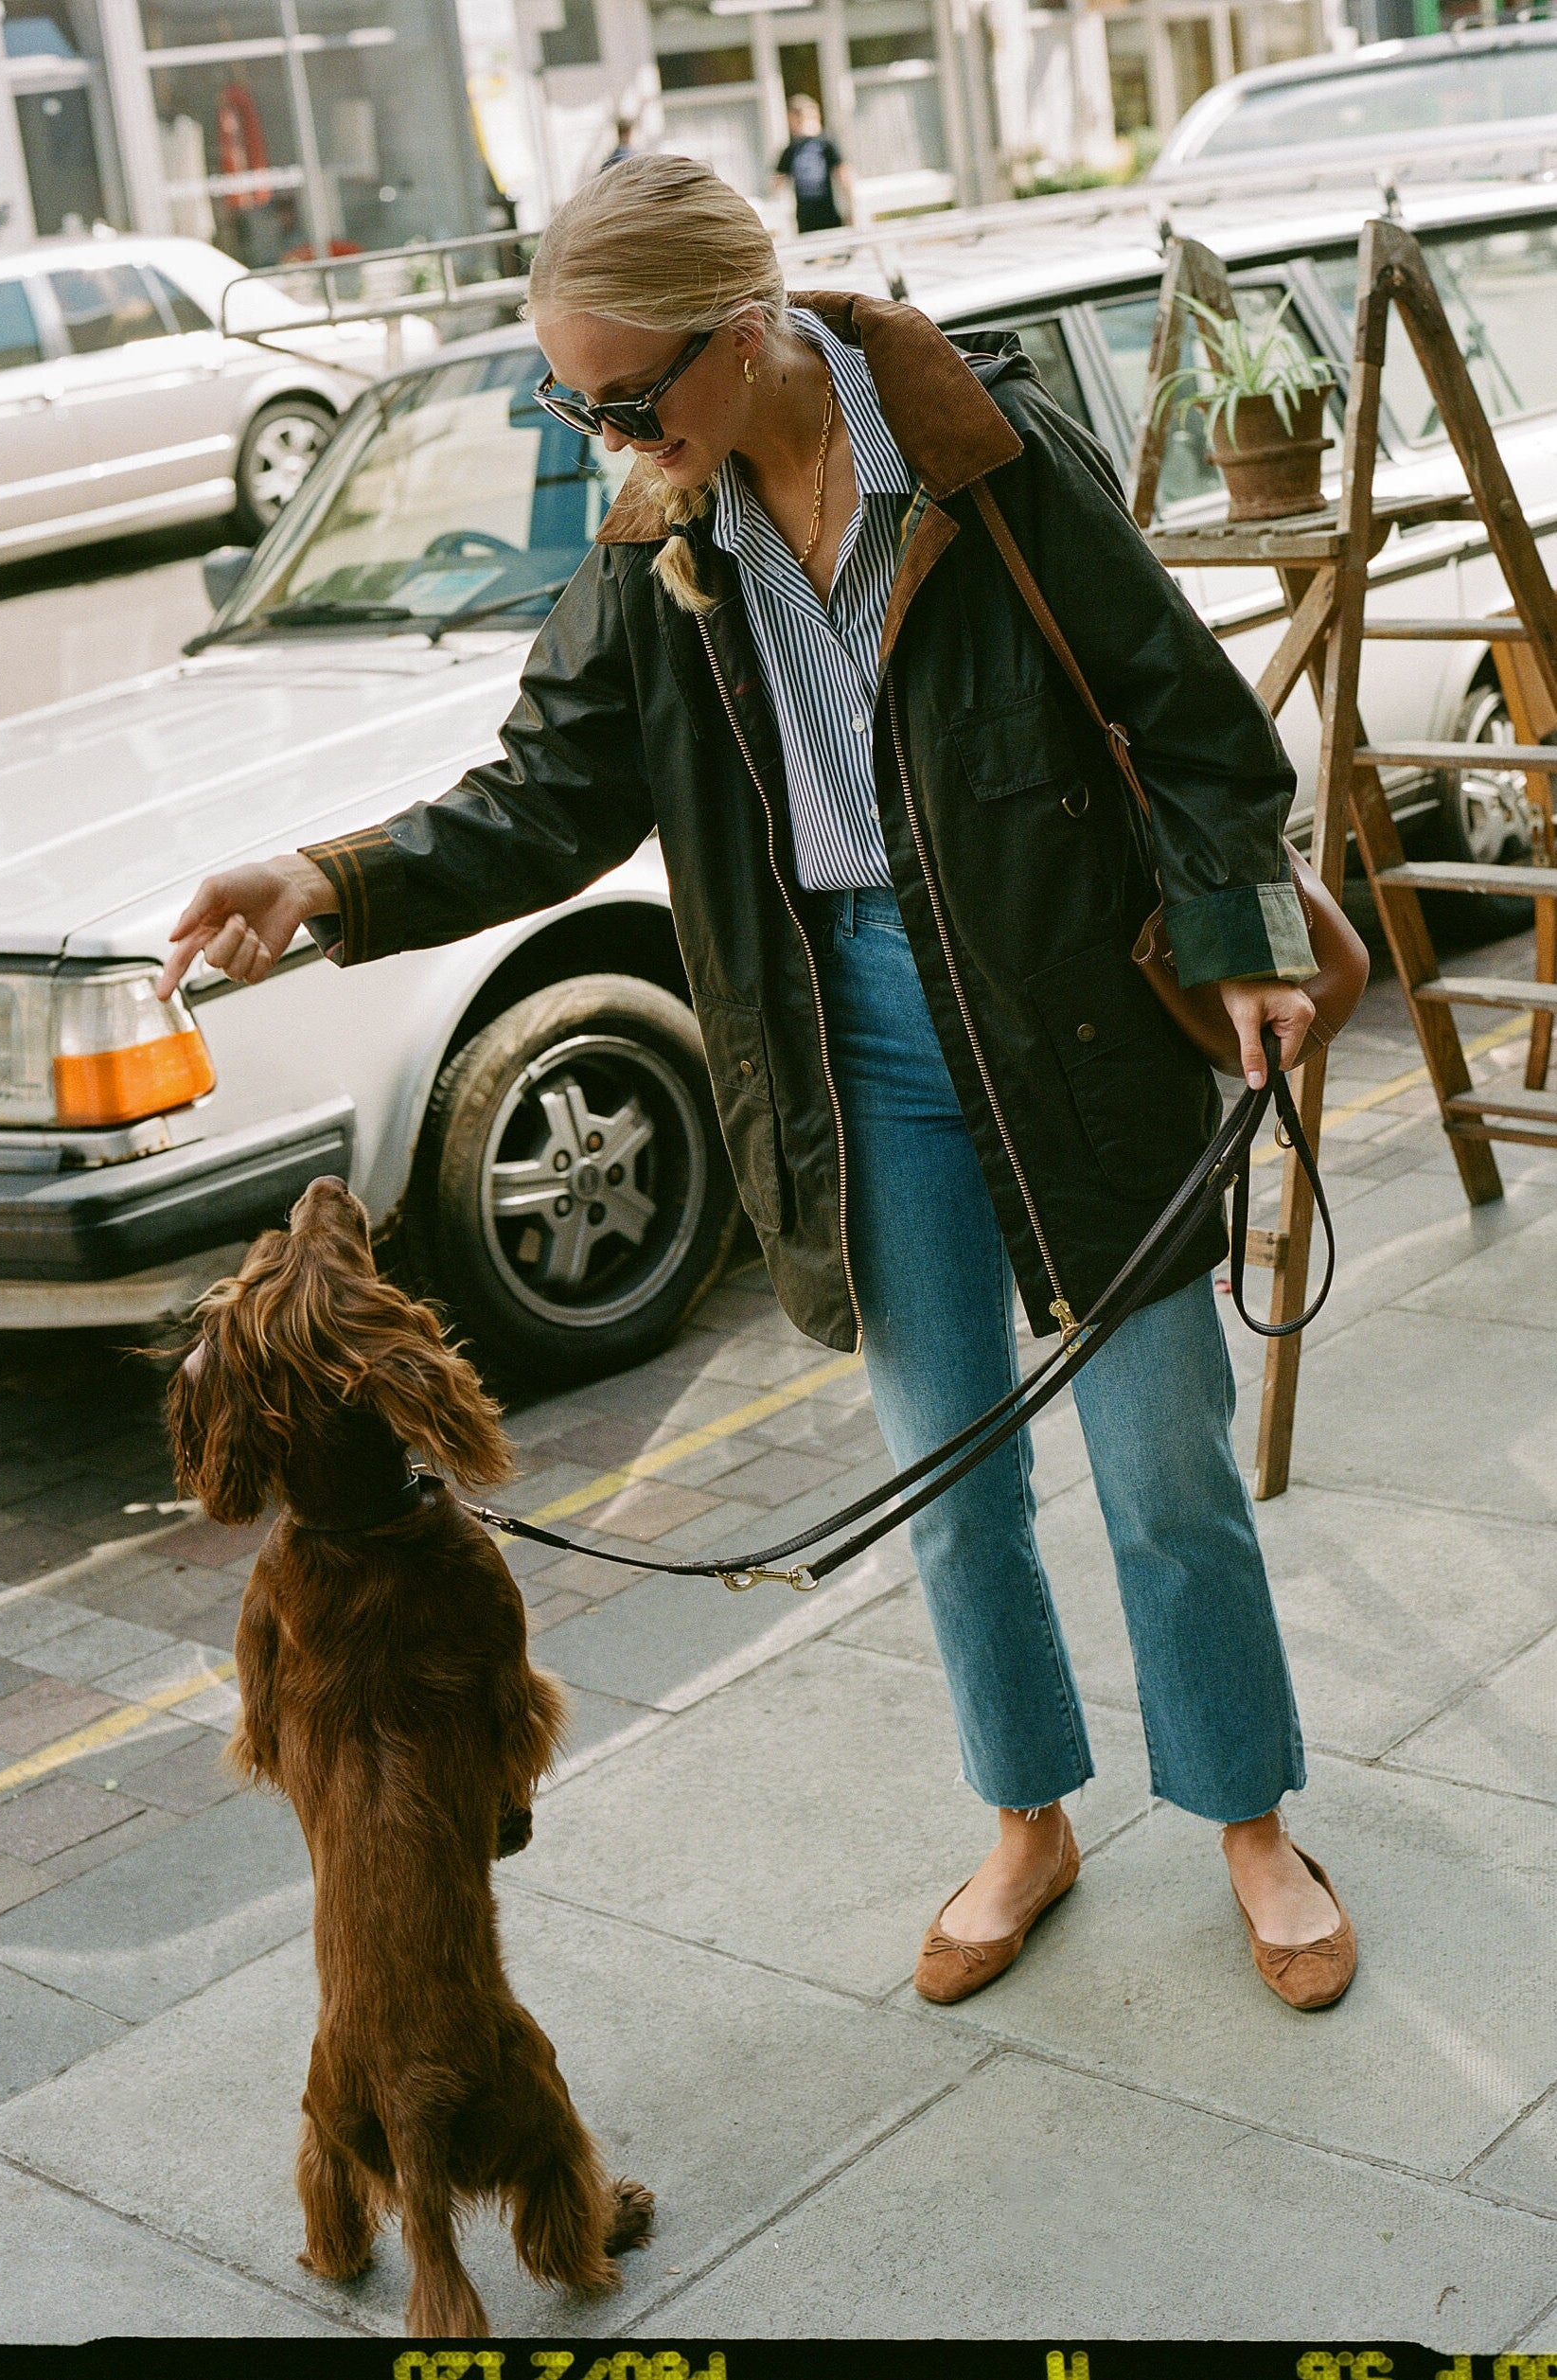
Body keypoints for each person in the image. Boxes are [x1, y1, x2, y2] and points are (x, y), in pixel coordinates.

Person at [158, 154, 1356, 2016]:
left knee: (1161, 1461)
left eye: (629, 396)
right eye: (575, 403)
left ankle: (1247, 1822)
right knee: (945, 1478)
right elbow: (545, 794)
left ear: (754, 329)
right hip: (840, 1035)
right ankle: (1026, 1819)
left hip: (1060, 1014)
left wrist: (1243, 936)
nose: (610, 437)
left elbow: (1199, 731)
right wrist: (329, 878)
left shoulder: (987, 457)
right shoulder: (657, 538)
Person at [773, 95, 849, 236]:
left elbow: (843, 175)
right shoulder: (790, 150)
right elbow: (777, 181)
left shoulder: (825, 145)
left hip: (829, 210)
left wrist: (850, 208)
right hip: (804, 215)